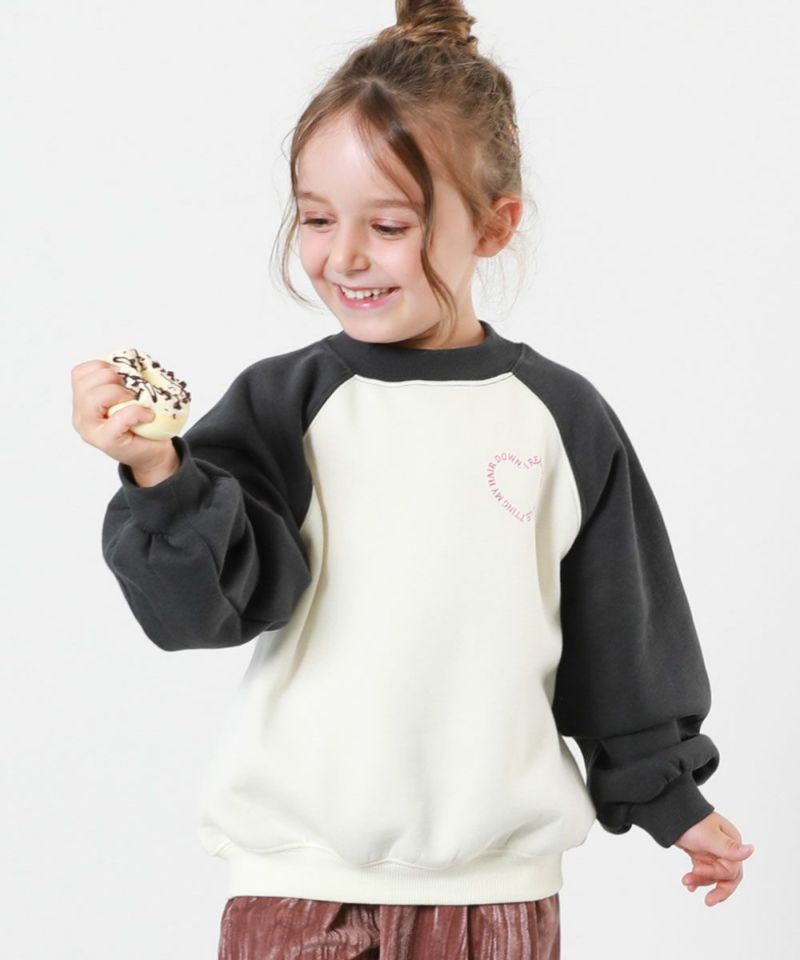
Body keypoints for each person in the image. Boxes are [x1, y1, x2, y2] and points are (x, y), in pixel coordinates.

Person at [71, 2, 754, 957]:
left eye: (389, 225)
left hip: (497, 895)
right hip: (300, 881)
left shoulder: (560, 417)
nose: (344, 256)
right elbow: (203, 612)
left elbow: (622, 636)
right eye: (316, 219)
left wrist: (672, 800)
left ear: (495, 225)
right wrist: (158, 473)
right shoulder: (283, 406)